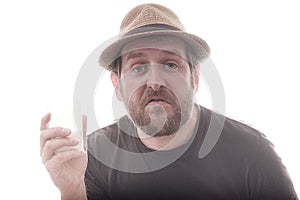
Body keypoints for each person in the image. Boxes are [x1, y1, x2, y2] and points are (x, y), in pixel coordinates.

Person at [40, 3, 298, 200]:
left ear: (194, 79)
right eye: (138, 67)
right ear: (117, 86)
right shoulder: (94, 155)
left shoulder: (251, 151)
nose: (155, 81)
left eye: (170, 64)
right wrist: (73, 191)